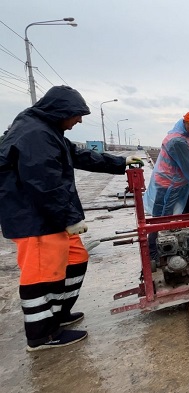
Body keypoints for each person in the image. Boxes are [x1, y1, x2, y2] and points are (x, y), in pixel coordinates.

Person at [0, 85, 142, 351]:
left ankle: (58, 314)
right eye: (77, 115)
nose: (79, 121)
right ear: (61, 111)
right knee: (41, 274)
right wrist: (68, 217)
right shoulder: (34, 135)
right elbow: (44, 184)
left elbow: (78, 155)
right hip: (35, 218)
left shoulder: (46, 130)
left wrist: (120, 163)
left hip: (47, 215)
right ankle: (42, 334)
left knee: (75, 258)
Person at [144, 111, 189, 261]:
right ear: (185, 123)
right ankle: (152, 252)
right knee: (161, 218)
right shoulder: (177, 141)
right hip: (167, 183)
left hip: (182, 181)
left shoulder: (184, 128)